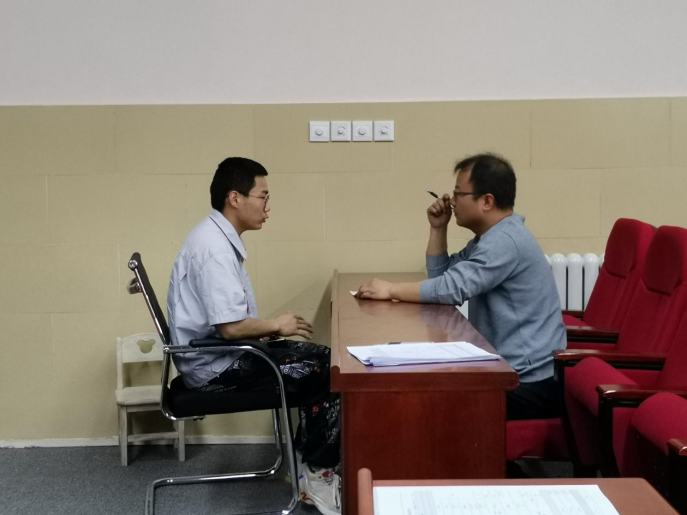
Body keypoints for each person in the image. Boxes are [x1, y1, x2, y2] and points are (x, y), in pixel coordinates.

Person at [167, 157, 340, 515]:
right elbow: (230, 328)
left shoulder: (214, 237)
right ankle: (318, 475)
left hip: (221, 354)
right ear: (235, 198)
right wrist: (276, 325)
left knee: (323, 358)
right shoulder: (214, 249)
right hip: (215, 367)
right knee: (327, 370)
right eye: (263, 196)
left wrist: (270, 330)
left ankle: (305, 463)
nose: (267, 206)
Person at [357, 153, 566, 421]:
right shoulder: (488, 239)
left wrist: (391, 290)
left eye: (458, 193)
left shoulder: (504, 241)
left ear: (487, 201)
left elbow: (450, 290)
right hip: (506, 371)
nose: (452, 201)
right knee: (426, 393)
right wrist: (438, 229)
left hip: (528, 384)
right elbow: (441, 277)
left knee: (428, 402)